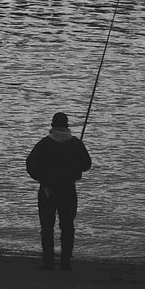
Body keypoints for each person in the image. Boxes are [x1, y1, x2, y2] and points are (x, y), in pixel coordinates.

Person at [26, 112, 91, 271]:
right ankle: (65, 263)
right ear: (66, 125)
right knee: (67, 226)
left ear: (53, 126)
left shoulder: (44, 143)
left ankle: (48, 263)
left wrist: (41, 178)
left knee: (47, 227)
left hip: (47, 189)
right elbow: (86, 165)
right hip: (68, 189)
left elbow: (30, 164)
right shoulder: (76, 143)